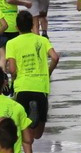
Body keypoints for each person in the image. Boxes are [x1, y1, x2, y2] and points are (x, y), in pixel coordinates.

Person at [6, 10, 59, 140]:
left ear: (17, 27)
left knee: (24, 130)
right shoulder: (42, 40)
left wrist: (13, 79)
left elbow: (12, 69)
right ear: (32, 26)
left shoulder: (12, 43)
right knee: (38, 135)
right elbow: (55, 57)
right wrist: (48, 72)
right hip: (40, 87)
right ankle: (34, 115)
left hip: (22, 88)